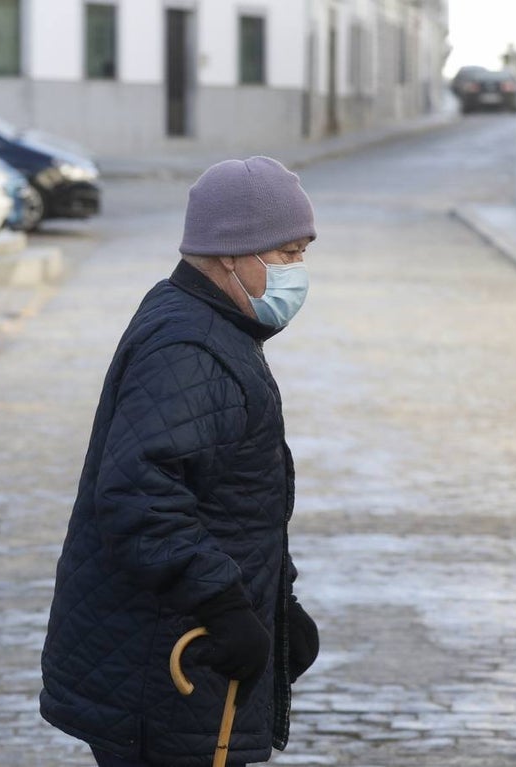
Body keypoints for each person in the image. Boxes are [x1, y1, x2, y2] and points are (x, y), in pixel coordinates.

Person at [40, 157, 322, 767]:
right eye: (288, 254)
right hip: (167, 662)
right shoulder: (190, 346)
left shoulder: (210, 326)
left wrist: (277, 602)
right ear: (232, 254)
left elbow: (232, 496)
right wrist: (225, 606)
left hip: (179, 655)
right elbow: (140, 496)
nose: (299, 272)